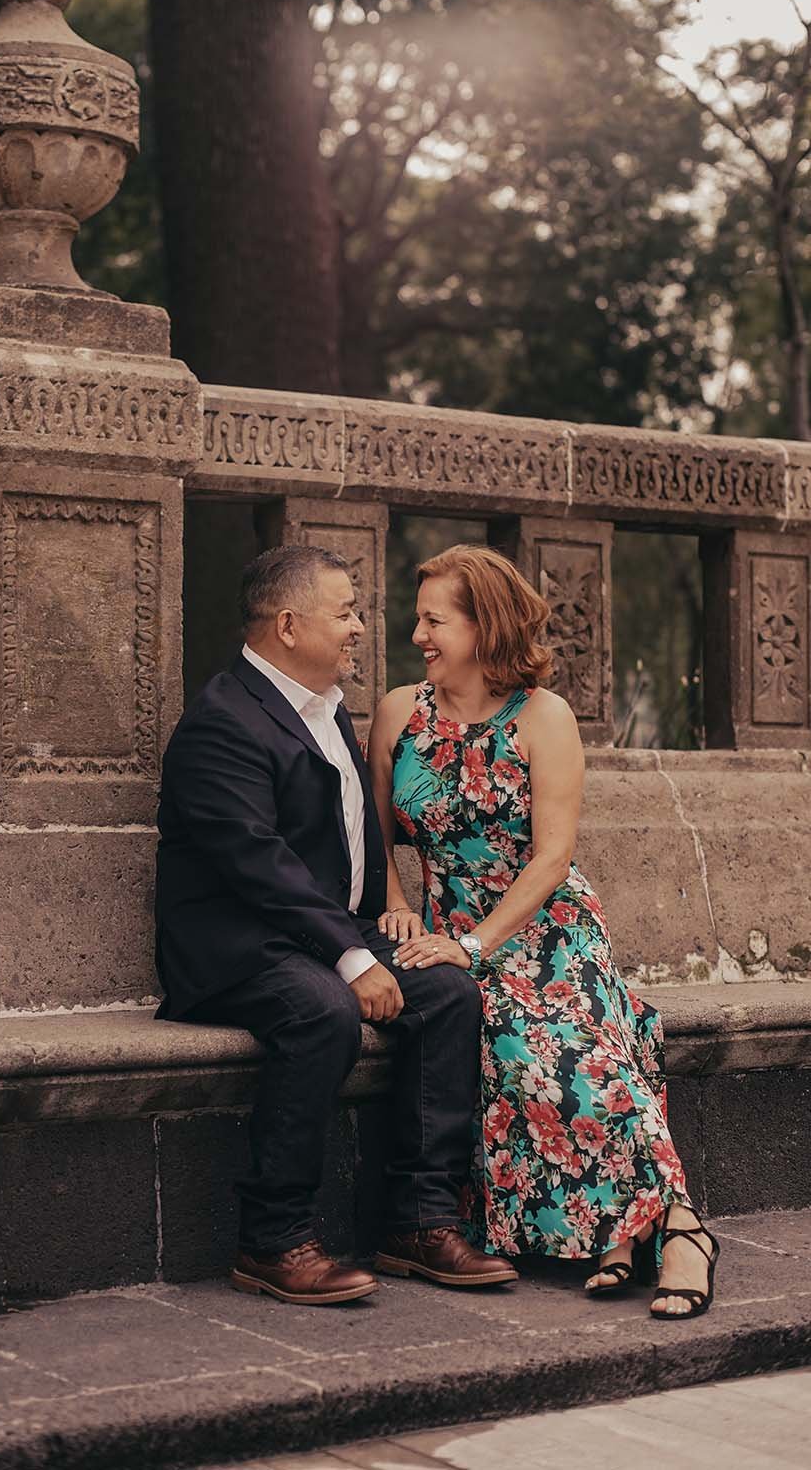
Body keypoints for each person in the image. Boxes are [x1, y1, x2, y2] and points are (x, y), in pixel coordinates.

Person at [155, 544, 518, 1306]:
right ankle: (273, 1238)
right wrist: (353, 958)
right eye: (345, 612)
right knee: (323, 1013)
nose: (360, 627)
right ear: (288, 626)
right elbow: (260, 868)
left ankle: (416, 1221)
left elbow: (359, 835)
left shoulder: (326, 709)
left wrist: (386, 916)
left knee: (449, 991)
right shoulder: (222, 721)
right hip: (236, 945)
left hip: (323, 934)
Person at [367, 544, 720, 1320]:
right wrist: (395, 901)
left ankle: (679, 1226)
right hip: (445, 928)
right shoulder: (398, 713)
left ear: (484, 626)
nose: (418, 635)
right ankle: (626, 1231)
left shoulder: (543, 717)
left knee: (575, 1048)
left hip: (547, 928)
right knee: (519, 1050)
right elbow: (371, 835)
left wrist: (475, 945)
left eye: (435, 621)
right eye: (418, 619)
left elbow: (553, 857)